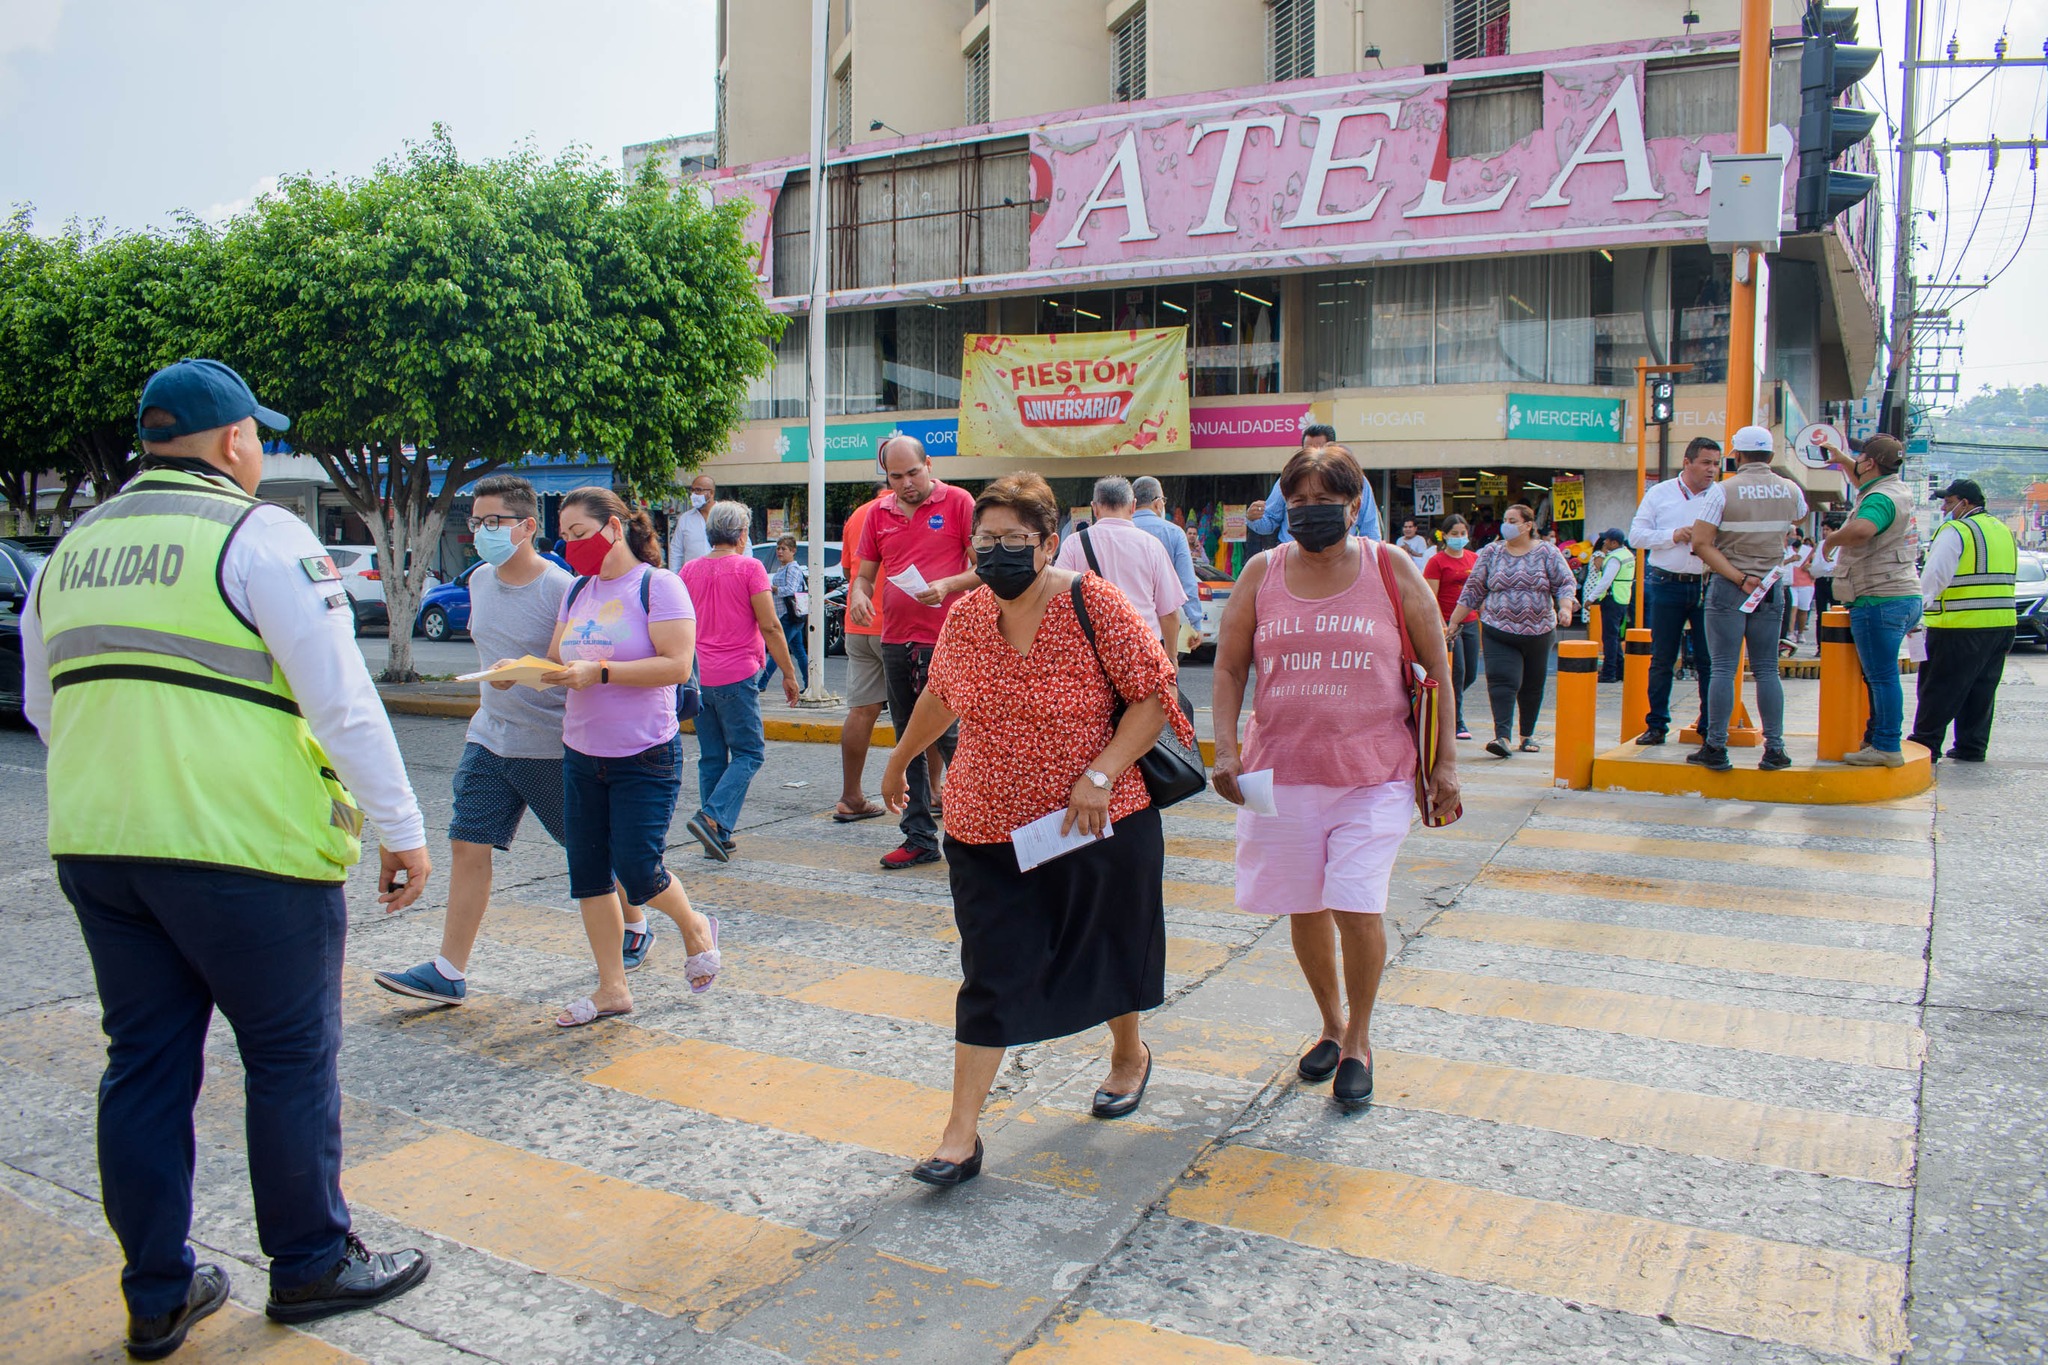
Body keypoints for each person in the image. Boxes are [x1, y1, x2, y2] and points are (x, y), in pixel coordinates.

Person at [22, 359, 432, 1354]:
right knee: (289, 1059)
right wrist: (401, 827)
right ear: (235, 441)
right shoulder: (260, 535)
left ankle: (157, 1292)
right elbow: (339, 700)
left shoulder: (72, 547)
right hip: (244, 851)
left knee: (145, 1066)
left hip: (101, 850)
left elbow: (45, 707)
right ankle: (309, 1264)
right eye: (260, 436)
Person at [878, 472, 1193, 1187]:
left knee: (1111, 944)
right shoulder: (966, 617)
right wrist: (900, 757)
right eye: (984, 541)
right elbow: (940, 696)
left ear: (1050, 543)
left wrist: (1103, 773)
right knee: (989, 969)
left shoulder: (1095, 603)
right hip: (986, 827)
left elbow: (1153, 698)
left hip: (1092, 822)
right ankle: (960, 1135)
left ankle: (1127, 1054)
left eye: (1013, 541)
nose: (995, 554)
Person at [1211, 444, 1459, 1108]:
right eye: (1300, 503)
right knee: (1304, 904)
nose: (1311, 513)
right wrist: (1227, 748)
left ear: (1355, 506)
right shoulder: (1261, 571)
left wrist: (1446, 764)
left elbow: (1436, 663)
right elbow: (1230, 667)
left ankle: (1360, 1040)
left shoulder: (1389, 565)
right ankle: (1330, 1022)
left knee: (1356, 902)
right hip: (1281, 771)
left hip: (1373, 771)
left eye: (1327, 502)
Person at [373, 475, 651, 1006]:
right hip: (489, 736)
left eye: (493, 522)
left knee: (589, 853)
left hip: (548, 744)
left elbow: (573, 658)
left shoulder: (562, 587)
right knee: (467, 843)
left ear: (526, 526)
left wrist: (524, 671)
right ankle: (448, 970)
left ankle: (636, 921)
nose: (482, 531)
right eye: (476, 522)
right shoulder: (478, 580)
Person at [545, 487, 723, 1025]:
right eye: (566, 537)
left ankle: (694, 926)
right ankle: (611, 988)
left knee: (639, 871)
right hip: (581, 751)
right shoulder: (577, 591)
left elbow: (675, 665)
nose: (572, 546)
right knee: (590, 876)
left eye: (581, 534)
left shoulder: (658, 585)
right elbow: (556, 657)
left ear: (615, 528)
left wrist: (600, 671)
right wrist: (521, 674)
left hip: (644, 753)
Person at [850, 434, 979, 869]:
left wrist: (946, 586)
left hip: (946, 640)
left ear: (929, 464)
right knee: (908, 739)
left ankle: (977, 829)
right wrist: (859, 596)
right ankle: (919, 836)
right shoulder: (877, 514)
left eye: (913, 473)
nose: (906, 484)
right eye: (895, 476)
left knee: (951, 737)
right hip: (895, 640)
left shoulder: (959, 502)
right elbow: (865, 575)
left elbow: (986, 568)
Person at [683, 502, 802, 859]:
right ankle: (712, 816)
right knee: (749, 752)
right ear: (742, 535)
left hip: (700, 676)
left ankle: (715, 833)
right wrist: (789, 673)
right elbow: (770, 625)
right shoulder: (750, 568)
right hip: (737, 674)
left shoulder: (688, 571)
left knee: (713, 757)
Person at [1689, 426, 1808, 772]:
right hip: (1771, 587)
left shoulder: (1722, 491)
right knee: (1768, 669)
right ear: (1770, 457)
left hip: (1731, 586)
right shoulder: (1789, 490)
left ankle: (1716, 747)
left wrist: (1739, 577)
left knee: (1724, 668)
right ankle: (1775, 749)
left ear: (1736, 456)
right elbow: (1797, 515)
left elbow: (1700, 543)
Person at [1820, 434, 1923, 768]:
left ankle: (1886, 745)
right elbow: (1864, 480)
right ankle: (1876, 738)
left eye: (1860, 457)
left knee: (1881, 677)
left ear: (1871, 463)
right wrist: (1840, 457)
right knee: (1880, 675)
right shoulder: (1895, 488)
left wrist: (1832, 539)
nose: (1857, 462)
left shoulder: (1878, 499)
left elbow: (1863, 529)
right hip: (1902, 594)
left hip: (1879, 598)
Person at [1444, 502, 1577, 759]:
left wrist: (1565, 608)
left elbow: (1564, 583)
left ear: (1528, 525)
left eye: (1513, 521)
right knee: (1503, 680)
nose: (1507, 525)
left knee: (1531, 684)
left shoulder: (1547, 553)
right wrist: (1454, 621)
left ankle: (1527, 735)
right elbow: (1473, 589)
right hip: (1498, 629)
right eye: (1505, 519)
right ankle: (1502, 736)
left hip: (1539, 631)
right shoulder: (1491, 553)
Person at [1910, 478, 2019, 763]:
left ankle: (1925, 744)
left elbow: (1935, 575)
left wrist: (1916, 608)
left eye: (1949, 502)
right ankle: (1972, 747)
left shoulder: (1957, 530)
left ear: (1965, 503)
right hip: (2002, 623)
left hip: (1959, 624)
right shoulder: (2002, 529)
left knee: (1940, 686)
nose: (1946, 508)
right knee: (1981, 688)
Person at [1627, 436, 1723, 745]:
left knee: (1709, 660)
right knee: (1662, 658)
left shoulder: (1720, 495)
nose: (1712, 470)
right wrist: (1672, 535)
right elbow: (1636, 536)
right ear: (1687, 462)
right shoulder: (1660, 493)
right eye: (1706, 462)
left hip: (1707, 584)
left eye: (1716, 464)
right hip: (1667, 583)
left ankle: (1709, 725)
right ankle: (1656, 725)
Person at [1053, 475, 1188, 646]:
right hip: (1141, 652)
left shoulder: (1074, 544)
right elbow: (1169, 613)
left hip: (1092, 652)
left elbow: (1058, 600)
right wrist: (1171, 657)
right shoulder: (1152, 546)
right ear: (1133, 506)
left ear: (1094, 508)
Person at [833, 480, 892, 822]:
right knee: (924, 713)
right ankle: (931, 791)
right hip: (901, 626)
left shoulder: (856, 515)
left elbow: (847, 570)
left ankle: (851, 796)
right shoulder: (907, 511)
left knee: (861, 711)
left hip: (859, 622)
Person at [1247, 428, 1382, 544]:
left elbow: (1370, 528)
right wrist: (1253, 517)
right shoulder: (1289, 478)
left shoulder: (1355, 479)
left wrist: (1371, 560)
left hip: (1341, 564)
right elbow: (1268, 522)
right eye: (1300, 500)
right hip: (1293, 563)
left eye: (1324, 500)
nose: (1313, 454)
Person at [1131, 475, 1204, 653]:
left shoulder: (1120, 531)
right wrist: (1196, 623)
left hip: (1124, 628)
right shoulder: (1174, 533)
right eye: (1163, 500)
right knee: (1167, 676)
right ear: (1157, 503)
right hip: (1164, 630)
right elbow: (1187, 582)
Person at [1423, 514, 1480, 740]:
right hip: (1447, 624)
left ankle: (1448, 703)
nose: (1459, 538)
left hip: (1471, 621)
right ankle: (1457, 721)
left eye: (1462, 534)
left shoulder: (1474, 558)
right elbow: (1431, 597)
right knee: (1456, 673)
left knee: (1471, 673)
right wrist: (1443, 626)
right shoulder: (1436, 562)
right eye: (1454, 534)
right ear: (1444, 535)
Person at [757, 533, 810, 692]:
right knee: (799, 651)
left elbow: (791, 590)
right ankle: (809, 683)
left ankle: (761, 683)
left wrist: (772, 589)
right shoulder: (782, 568)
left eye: (784, 549)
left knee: (776, 649)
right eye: (778, 548)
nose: (780, 552)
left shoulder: (793, 568)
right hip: (786, 614)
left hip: (790, 615)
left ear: (793, 551)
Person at [1581, 528, 1634, 683]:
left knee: (1609, 638)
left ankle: (1609, 673)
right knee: (1615, 637)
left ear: (1614, 542)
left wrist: (1591, 598)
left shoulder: (1614, 558)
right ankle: (1620, 670)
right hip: (1623, 598)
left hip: (1612, 599)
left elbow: (1605, 581)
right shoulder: (1628, 555)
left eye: (1607, 540)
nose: (1604, 542)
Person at [667, 471, 716, 571]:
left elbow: (744, 547)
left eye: (698, 490)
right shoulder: (685, 519)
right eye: (692, 490)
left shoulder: (726, 516)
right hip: (693, 580)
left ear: (711, 493)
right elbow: (676, 552)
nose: (694, 494)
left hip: (722, 579)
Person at [1787, 535, 1818, 646]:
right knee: (1792, 608)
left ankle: (1800, 632)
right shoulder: (1788, 550)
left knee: (1803, 610)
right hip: (1792, 584)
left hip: (1806, 584)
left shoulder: (1809, 552)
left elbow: (1816, 567)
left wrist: (1809, 567)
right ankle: (1790, 633)